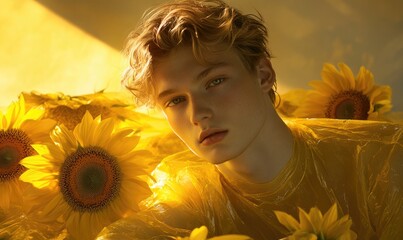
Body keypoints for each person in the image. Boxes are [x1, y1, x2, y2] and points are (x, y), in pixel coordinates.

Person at [98, 0, 403, 239]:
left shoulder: (381, 157)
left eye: (214, 82)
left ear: (263, 75)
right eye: (176, 100)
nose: (197, 113)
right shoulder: (192, 192)